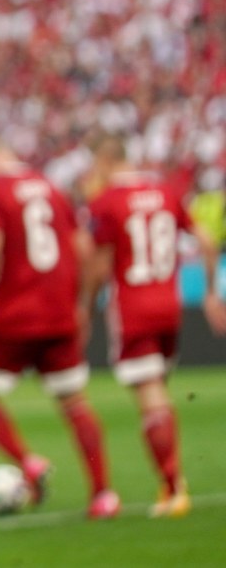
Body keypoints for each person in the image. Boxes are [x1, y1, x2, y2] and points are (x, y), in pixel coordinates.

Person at [0, 128, 119, 519]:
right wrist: (81, 304)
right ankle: (103, 495)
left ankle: (28, 462)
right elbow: (83, 249)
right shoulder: (52, 187)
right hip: (60, 312)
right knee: (75, 403)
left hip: (17, 313)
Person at [81, 132, 225, 517]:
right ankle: (170, 484)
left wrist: (85, 307)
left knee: (150, 396)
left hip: (133, 309)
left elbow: (99, 266)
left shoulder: (106, 202)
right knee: (157, 388)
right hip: (169, 307)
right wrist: (211, 293)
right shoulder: (166, 191)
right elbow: (207, 241)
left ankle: (174, 486)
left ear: (104, 162)